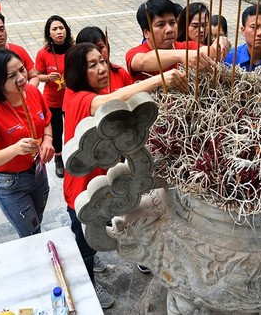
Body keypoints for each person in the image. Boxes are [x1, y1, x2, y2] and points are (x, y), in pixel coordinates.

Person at [62, 43, 186, 309]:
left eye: (102, 61)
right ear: (77, 72)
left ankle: (92, 261)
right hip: (83, 191)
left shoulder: (91, 93)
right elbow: (110, 101)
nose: (102, 68)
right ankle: (88, 284)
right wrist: (160, 79)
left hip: (106, 187)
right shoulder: (79, 97)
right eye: (92, 65)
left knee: (94, 239)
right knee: (83, 245)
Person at [0, 48, 54, 238]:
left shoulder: (32, 92)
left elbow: (47, 120)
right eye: (12, 75)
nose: (22, 78)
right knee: (31, 231)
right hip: (10, 182)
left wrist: (48, 139)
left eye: (22, 69)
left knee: (37, 220)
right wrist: (15, 149)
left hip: (37, 171)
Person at [126, 0, 228, 82]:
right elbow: (142, 61)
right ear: (146, 32)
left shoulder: (186, 46)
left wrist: (219, 45)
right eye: (160, 25)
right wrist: (181, 55)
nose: (169, 29)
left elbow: (208, 52)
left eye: (172, 23)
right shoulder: (135, 53)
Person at [35, 15, 73, 177]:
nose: (59, 32)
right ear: (49, 33)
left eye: (61, 28)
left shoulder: (74, 49)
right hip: (52, 101)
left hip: (71, 99)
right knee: (56, 132)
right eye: (54, 29)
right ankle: (58, 159)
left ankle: (76, 156)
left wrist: (71, 80)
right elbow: (36, 76)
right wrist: (48, 78)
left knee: (73, 130)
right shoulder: (43, 54)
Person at [75, 26, 132, 91]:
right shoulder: (77, 84)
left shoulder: (120, 73)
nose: (97, 52)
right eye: (92, 66)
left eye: (100, 47)